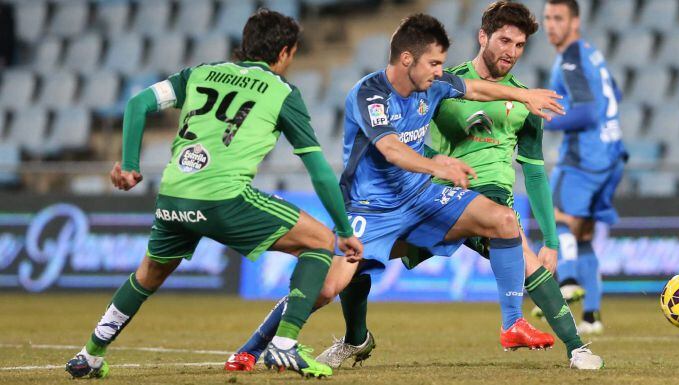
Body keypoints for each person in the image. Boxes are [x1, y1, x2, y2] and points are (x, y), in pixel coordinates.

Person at [224, 13, 566, 372]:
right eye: (434, 63)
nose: (440, 71)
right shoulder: (370, 94)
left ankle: (513, 324)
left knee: (503, 219)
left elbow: (478, 89)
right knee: (326, 288)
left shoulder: (433, 84)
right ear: (407, 60)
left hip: (420, 200)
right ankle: (252, 349)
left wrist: (523, 95)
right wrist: (438, 165)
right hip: (369, 208)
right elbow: (390, 149)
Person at [63, 9, 362, 379]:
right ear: (285, 52)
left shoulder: (199, 73)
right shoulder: (282, 91)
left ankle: (90, 354)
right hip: (223, 198)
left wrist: (129, 164)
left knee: (148, 274)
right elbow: (318, 168)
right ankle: (284, 343)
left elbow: (138, 103)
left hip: (174, 196)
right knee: (319, 241)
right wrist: (343, 229)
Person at [396, 1, 603, 369]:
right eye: (504, 41)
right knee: (365, 255)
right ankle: (353, 337)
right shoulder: (445, 82)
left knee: (525, 254)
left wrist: (551, 241)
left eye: (519, 45)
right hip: (439, 197)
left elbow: (534, 173)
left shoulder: (528, 104)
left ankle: (576, 348)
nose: (511, 52)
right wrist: (431, 163)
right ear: (483, 37)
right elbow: (409, 136)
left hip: (491, 193)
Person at [538, 0, 627, 335]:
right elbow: (615, 93)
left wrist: (542, 119)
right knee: (584, 234)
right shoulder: (592, 53)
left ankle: (568, 281)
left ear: (575, 22)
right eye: (547, 18)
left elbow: (587, 113)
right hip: (612, 155)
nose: (551, 25)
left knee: (555, 217)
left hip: (585, 158)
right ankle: (592, 315)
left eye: (558, 18)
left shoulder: (570, 58)